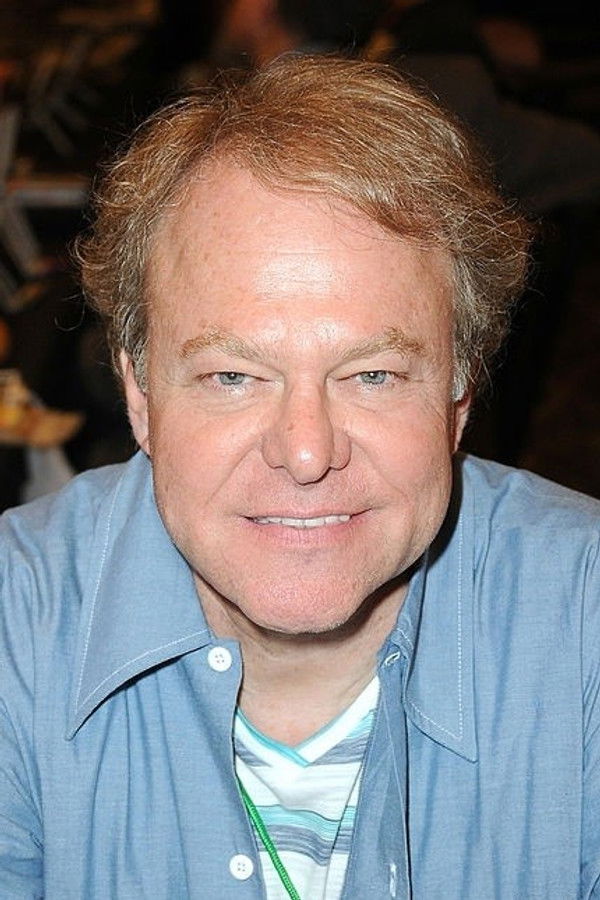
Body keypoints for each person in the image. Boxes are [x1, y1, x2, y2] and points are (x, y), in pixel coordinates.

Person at [0, 54, 598, 899]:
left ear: (459, 392)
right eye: (233, 376)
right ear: (139, 395)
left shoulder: (584, 625)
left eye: (373, 375)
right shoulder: (15, 631)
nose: (307, 453)